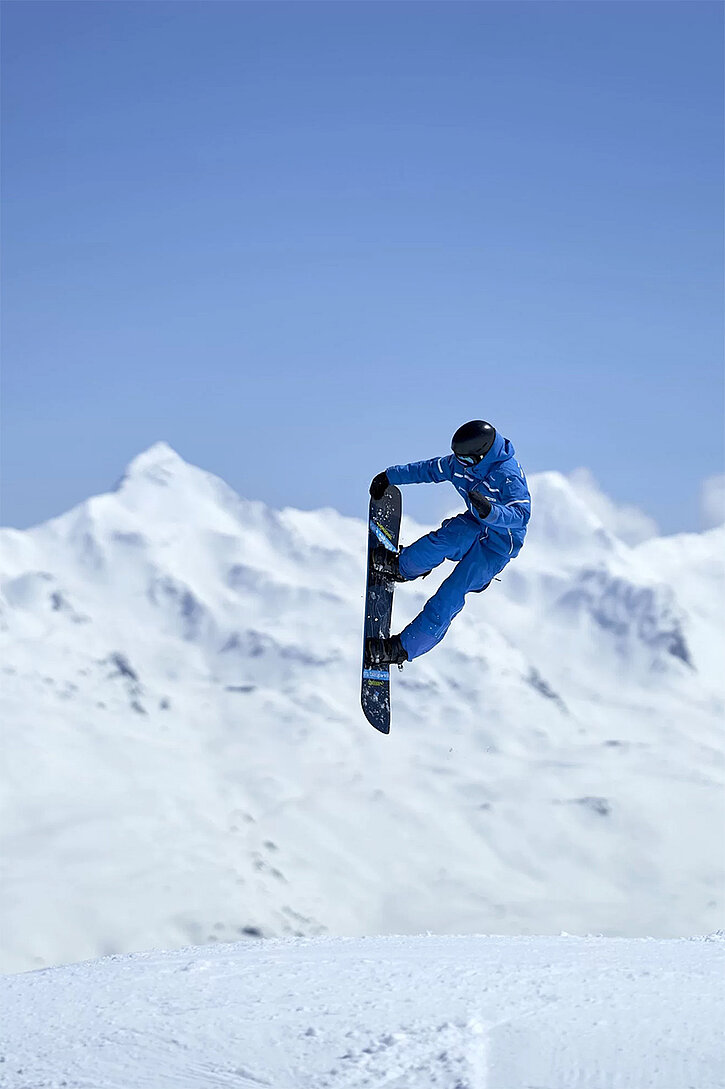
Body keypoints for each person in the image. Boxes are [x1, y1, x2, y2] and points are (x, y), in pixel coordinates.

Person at [366, 420, 531, 665]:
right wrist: (390, 476)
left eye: (464, 459)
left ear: (480, 457)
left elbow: (521, 515)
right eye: (457, 457)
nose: (458, 463)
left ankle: (400, 649)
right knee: (446, 539)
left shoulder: (507, 476)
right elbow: (429, 469)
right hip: (475, 523)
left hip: (497, 547)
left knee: (450, 593)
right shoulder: (460, 464)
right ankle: (400, 567)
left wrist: (491, 512)